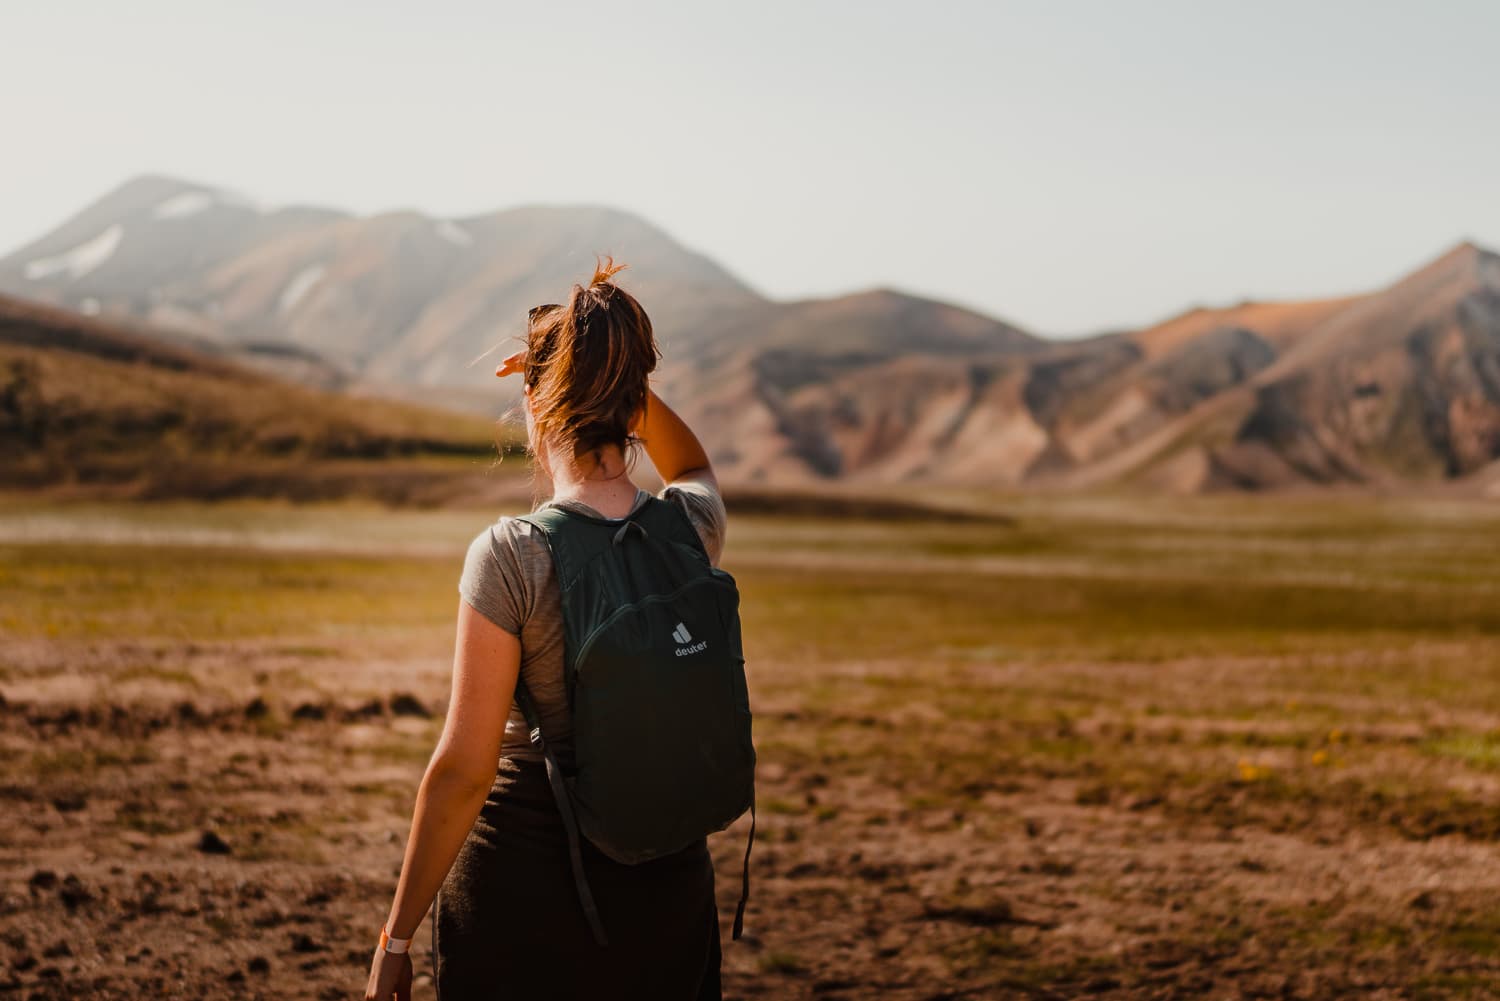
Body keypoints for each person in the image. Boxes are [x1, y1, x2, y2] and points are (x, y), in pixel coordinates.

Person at [364, 259, 731, 1001]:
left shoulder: (510, 555)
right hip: (668, 910)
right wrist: (616, 374)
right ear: (633, 409)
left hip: (521, 916)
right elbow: (691, 462)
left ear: (536, 405)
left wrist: (394, 938)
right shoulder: (690, 531)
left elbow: (464, 771)